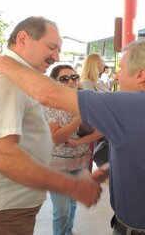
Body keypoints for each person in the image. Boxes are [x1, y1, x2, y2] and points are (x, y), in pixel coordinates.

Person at [0, 38, 145, 234]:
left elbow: (47, 94)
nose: (116, 77)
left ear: (142, 74)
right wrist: (108, 170)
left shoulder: (136, 105)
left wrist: (2, 61)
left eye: (121, 69)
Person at [0, 16, 101, 235]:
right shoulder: (2, 79)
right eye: (51, 47)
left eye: (59, 50)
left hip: (6, 206)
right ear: (22, 39)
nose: (56, 57)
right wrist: (70, 185)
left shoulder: (16, 75)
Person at [45, 65, 102, 235]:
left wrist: (79, 142)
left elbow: (101, 130)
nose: (71, 81)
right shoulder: (50, 105)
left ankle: (67, 232)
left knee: (73, 204)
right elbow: (56, 137)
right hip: (57, 167)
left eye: (74, 77)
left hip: (81, 162)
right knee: (61, 210)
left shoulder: (86, 101)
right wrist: (79, 118)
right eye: (64, 78)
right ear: (54, 82)